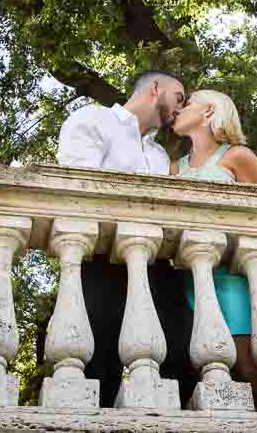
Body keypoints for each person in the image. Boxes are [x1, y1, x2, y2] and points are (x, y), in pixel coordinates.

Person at [57, 70, 197, 407]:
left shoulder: (161, 156)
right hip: (101, 260)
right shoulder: (93, 119)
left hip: (157, 268)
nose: (180, 108)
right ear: (154, 89)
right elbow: (80, 190)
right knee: (97, 366)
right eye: (178, 98)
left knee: (182, 360)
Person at [169, 89, 257, 402]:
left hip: (230, 277)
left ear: (209, 111)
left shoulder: (239, 157)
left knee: (247, 365)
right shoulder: (173, 169)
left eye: (187, 104)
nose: (178, 110)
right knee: (201, 365)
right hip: (185, 278)